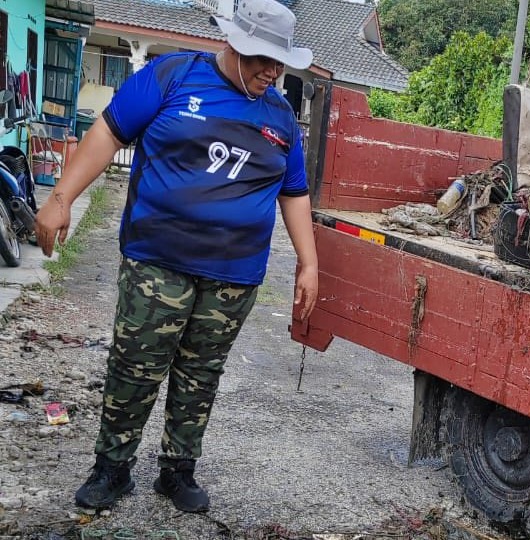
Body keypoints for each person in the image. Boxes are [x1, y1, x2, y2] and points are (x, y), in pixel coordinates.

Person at [34, 0, 319, 514]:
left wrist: (309, 262)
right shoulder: (174, 76)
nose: (271, 71)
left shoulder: (280, 116)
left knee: (201, 374)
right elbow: (109, 132)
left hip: (234, 276)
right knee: (135, 366)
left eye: (279, 62)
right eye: (261, 58)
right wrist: (60, 198)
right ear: (232, 44)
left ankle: (177, 470)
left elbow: (293, 192)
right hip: (157, 262)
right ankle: (112, 468)